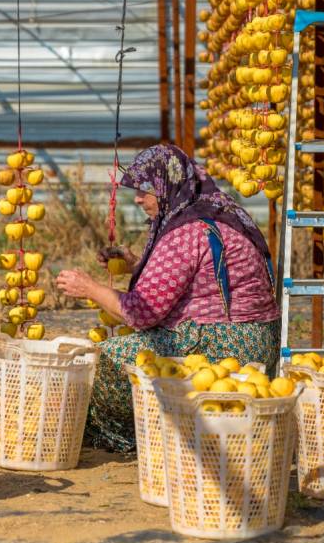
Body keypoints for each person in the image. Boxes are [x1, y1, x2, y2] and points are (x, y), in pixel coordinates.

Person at [55, 144, 278, 452]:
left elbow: (140, 313)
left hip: (221, 346)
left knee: (107, 360)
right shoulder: (219, 209)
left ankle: (133, 435)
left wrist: (90, 288)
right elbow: (200, 272)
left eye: (146, 190)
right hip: (260, 341)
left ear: (166, 186)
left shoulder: (186, 230)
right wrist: (136, 264)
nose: (138, 199)